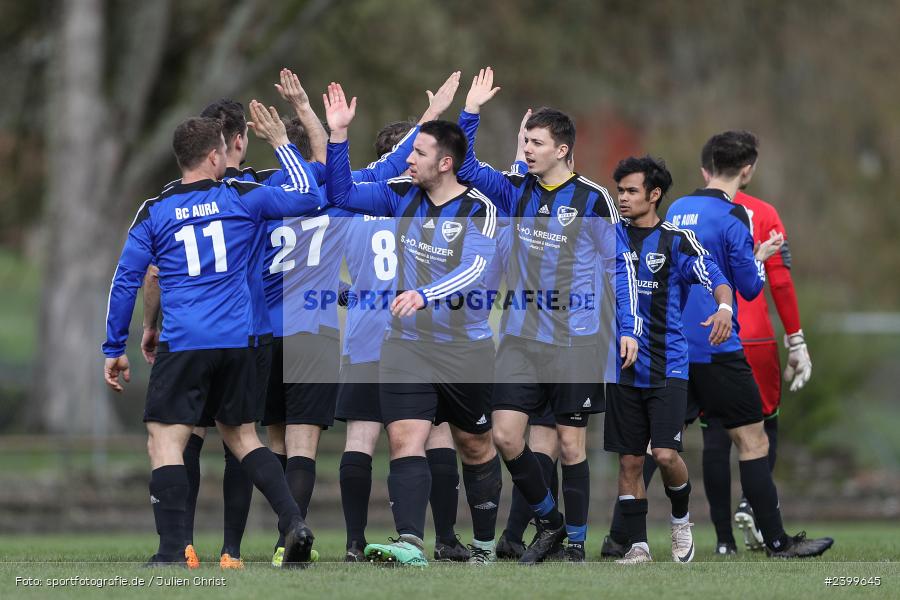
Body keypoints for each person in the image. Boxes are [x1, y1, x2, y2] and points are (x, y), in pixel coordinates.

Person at [102, 113, 322, 567]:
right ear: (214, 155)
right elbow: (309, 195)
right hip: (239, 341)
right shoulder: (242, 196)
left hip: (185, 341)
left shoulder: (155, 208)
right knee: (243, 437)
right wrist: (282, 143)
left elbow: (128, 280)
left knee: (165, 440)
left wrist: (113, 347)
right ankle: (293, 522)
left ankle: (171, 551)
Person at [457, 67, 640, 564]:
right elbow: (467, 167)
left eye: (536, 142)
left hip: (575, 340)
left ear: (562, 150)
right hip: (519, 336)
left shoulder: (593, 199)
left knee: (569, 443)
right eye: (526, 141)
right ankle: (551, 521)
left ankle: (575, 543)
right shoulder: (516, 190)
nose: (528, 149)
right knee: (505, 435)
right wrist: (470, 111)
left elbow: (620, 268)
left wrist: (628, 329)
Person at [324, 82, 502, 567]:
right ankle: (410, 541)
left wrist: (425, 293)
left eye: (417, 151)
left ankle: (484, 542)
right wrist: (338, 137)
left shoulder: (479, 210)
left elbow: (473, 272)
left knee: (474, 443)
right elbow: (340, 191)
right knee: (406, 436)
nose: (407, 159)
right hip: (406, 344)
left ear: (444, 162)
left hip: (465, 347)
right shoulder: (400, 195)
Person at [665, 130, 832, 558]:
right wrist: (759, 257)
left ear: (707, 167)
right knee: (753, 442)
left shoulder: (678, 207)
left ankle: (626, 538)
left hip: (677, 344)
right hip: (720, 346)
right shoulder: (735, 214)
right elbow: (750, 289)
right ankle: (777, 542)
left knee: (660, 444)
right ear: (747, 169)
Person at [606, 156, 733, 564]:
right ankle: (639, 546)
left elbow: (714, 274)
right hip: (622, 366)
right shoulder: (609, 237)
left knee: (662, 454)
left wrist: (724, 309)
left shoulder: (675, 240)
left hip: (668, 364)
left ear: (654, 194)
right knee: (629, 460)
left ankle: (681, 521)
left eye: (631, 191)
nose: (622, 198)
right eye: (619, 191)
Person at [704, 179, 813, 554]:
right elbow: (778, 283)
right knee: (763, 431)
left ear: (707, 170)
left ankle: (722, 541)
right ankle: (756, 508)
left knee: (713, 435)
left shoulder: (687, 212)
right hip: (756, 338)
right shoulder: (762, 212)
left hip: (708, 335)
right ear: (747, 168)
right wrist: (795, 338)